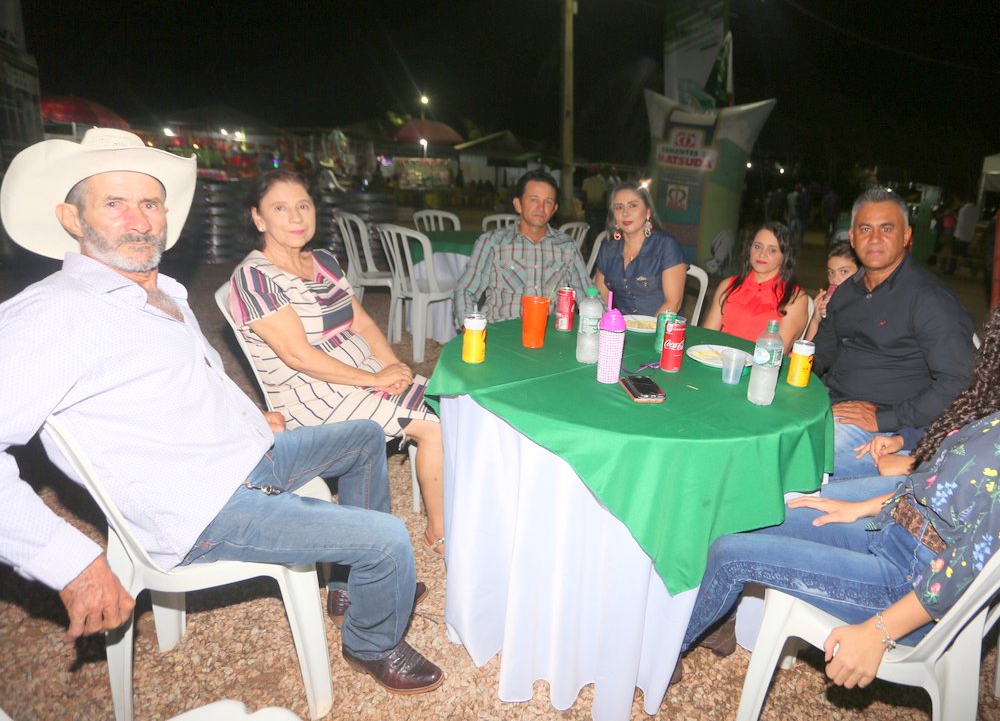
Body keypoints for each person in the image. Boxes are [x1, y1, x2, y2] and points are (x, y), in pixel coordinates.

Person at [0, 129, 443, 695]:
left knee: (361, 437)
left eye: (150, 203)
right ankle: (372, 642)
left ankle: (350, 588)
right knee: (387, 537)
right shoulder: (52, 314)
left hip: (242, 455)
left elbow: (197, 383)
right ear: (71, 217)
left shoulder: (160, 292)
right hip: (200, 508)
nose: (138, 221)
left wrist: (254, 419)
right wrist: (69, 561)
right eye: (114, 204)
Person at [681, 250, 1000, 689]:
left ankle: (670, 648)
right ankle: (718, 616)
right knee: (755, 511)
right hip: (898, 535)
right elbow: (944, 483)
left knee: (731, 551)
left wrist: (878, 632)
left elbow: (980, 561)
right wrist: (862, 508)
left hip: (910, 587)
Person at [226, 170, 447, 554]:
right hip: (314, 398)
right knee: (436, 427)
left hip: (361, 377)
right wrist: (375, 378)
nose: (296, 217)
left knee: (452, 404)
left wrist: (395, 369)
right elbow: (298, 356)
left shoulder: (324, 261)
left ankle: (451, 496)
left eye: (303, 205)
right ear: (258, 218)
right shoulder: (253, 278)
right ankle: (438, 532)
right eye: (280, 208)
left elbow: (362, 322)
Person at [815, 187, 976, 480]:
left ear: (906, 236)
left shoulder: (929, 299)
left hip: (887, 428)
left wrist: (884, 418)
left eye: (887, 228)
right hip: (830, 405)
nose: (875, 238)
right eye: (865, 229)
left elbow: (960, 382)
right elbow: (822, 352)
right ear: (852, 237)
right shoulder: (847, 292)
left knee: (796, 456)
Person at [452, 169, 590, 324]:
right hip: (502, 331)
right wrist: (471, 328)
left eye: (548, 202)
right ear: (518, 205)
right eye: (533, 200)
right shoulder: (493, 243)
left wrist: (606, 326)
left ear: (554, 209)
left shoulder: (566, 246)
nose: (541, 207)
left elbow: (587, 294)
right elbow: (465, 290)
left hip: (549, 333)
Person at [702, 222, 809, 351]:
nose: (762, 254)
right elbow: (707, 337)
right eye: (757, 246)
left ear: (784, 257)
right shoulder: (728, 285)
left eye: (772, 250)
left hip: (762, 361)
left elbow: (777, 353)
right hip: (719, 357)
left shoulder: (794, 298)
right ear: (749, 249)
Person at [594, 182, 686, 316]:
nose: (625, 213)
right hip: (622, 325)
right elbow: (600, 300)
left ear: (648, 212)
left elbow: (673, 303)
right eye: (619, 207)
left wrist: (647, 327)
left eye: (633, 205)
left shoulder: (666, 246)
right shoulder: (608, 250)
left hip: (661, 325)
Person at [802, 241, 859, 340]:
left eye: (844, 271)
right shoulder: (830, 306)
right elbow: (809, 347)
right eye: (831, 272)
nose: (835, 279)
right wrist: (816, 318)